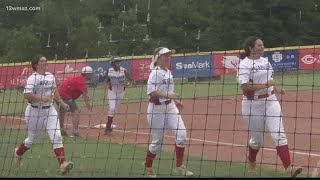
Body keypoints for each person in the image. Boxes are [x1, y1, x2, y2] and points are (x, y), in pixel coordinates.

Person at [237, 36, 302, 177]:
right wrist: (265, 85)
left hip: (271, 101)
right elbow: (245, 88)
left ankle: (288, 168)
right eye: (259, 45)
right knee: (257, 140)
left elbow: (269, 81)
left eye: (262, 45)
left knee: (279, 134)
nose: (262, 47)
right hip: (252, 105)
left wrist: (276, 89)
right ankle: (252, 162)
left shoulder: (266, 61)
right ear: (251, 47)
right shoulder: (244, 64)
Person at [14, 55, 73, 174]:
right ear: (36, 64)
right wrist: (42, 98)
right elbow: (27, 95)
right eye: (42, 60)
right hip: (34, 112)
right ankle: (18, 152)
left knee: (56, 136)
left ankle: (63, 164)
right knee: (32, 140)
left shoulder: (51, 76)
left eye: (46, 60)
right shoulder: (32, 78)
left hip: (50, 110)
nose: (46, 61)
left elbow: (54, 91)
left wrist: (61, 102)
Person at [143, 47, 193, 177]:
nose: (167, 57)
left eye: (169, 55)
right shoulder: (155, 73)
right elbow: (152, 92)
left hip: (170, 107)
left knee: (182, 135)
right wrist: (169, 96)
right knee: (158, 142)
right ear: (158, 58)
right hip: (156, 109)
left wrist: (176, 101)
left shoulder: (169, 72)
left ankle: (179, 165)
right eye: (164, 55)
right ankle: (148, 165)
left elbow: (170, 92)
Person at [101, 56, 134, 135]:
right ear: (112, 64)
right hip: (112, 91)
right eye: (115, 62)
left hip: (121, 92)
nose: (118, 63)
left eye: (118, 62)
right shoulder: (109, 71)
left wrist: (128, 83)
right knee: (112, 108)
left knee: (115, 110)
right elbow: (103, 79)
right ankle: (108, 127)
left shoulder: (124, 71)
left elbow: (131, 80)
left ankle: (109, 124)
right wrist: (102, 77)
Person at [57, 66, 93, 137]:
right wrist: (89, 107)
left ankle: (61, 130)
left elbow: (83, 93)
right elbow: (85, 97)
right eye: (91, 74)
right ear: (87, 74)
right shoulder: (81, 82)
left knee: (62, 112)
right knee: (75, 112)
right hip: (65, 95)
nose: (91, 75)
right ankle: (75, 131)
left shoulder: (78, 78)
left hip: (59, 94)